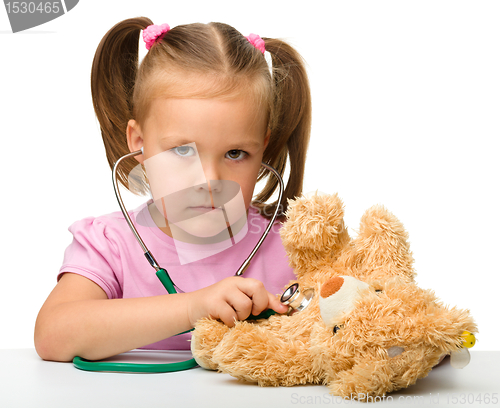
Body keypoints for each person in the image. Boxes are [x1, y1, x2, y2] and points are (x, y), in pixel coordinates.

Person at [34, 17, 312, 362]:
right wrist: (193, 306)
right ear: (140, 144)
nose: (210, 180)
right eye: (182, 151)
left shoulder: (293, 249)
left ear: (262, 150)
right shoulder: (110, 244)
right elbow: (53, 335)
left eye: (236, 153)